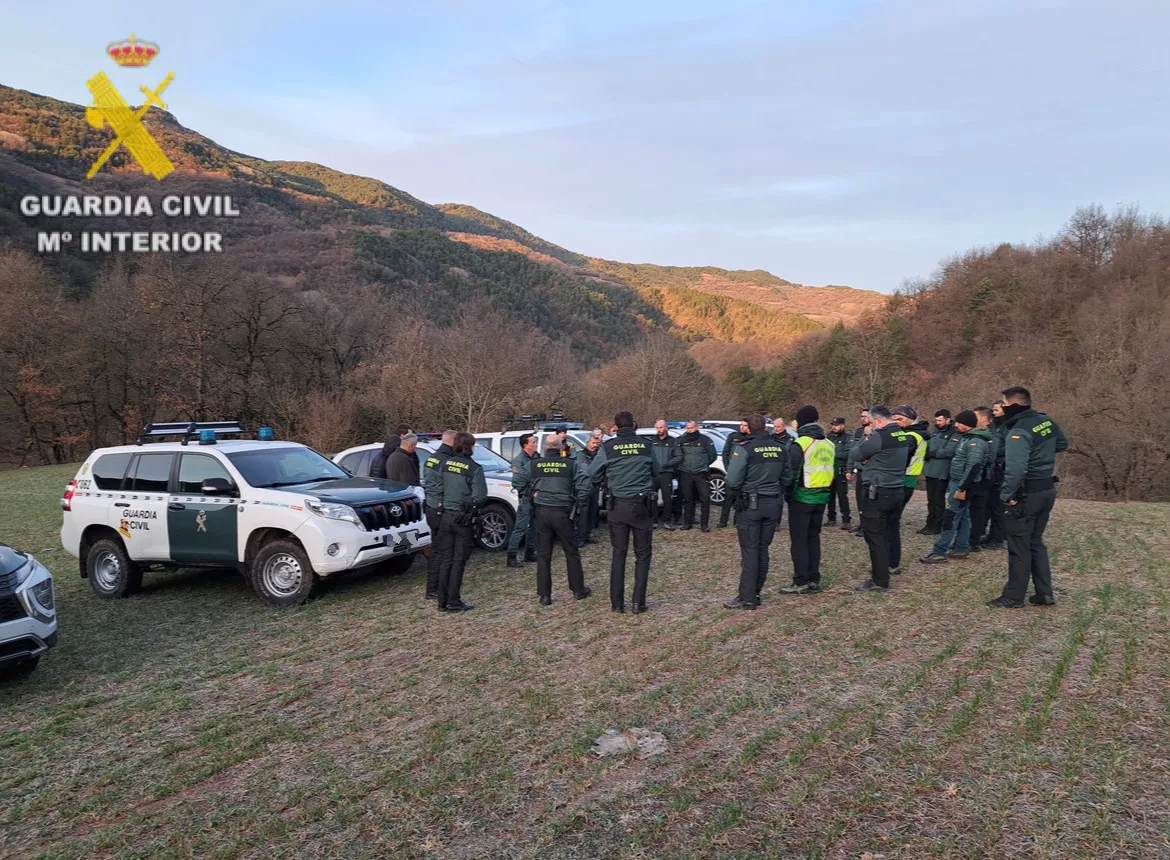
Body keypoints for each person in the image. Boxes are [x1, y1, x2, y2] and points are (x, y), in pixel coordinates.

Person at [990, 387, 1069, 609]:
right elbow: (1062, 444)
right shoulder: (1045, 421)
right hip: (1046, 489)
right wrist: (1042, 456)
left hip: (1027, 494)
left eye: (1004, 404)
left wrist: (1007, 495)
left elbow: (1016, 469)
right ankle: (1045, 593)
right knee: (1035, 541)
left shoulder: (1019, 430)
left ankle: (1014, 597)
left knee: (1018, 545)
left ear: (1013, 405)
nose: (1001, 408)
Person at [589, 411, 658, 614]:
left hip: (617, 506)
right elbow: (657, 470)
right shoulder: (646, 445)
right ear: (634, 425)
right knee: (643, 555)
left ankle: (617, 604)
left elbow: (592, 473)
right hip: (641, 505)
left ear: (616, 427)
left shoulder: (608, 447)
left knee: (619, 554)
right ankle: (638, 603)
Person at [722, 414, 790, 609]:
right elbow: (787, 477)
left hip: (751, 505)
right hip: (773, 503)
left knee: (750, 551)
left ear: (749, 429)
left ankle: (748, 597)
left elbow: (732, 480)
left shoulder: (745, 448)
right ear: (766, 428)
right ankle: (756, 591)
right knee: (762, 549)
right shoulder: (780, 448)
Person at [852, 405, 914, 592]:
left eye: (871, 423)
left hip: (878, 491)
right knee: (891, 529)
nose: (870, 426)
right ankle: (892, 563)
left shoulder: (878, 436)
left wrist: (866, 436)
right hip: (896, 489)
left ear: (878, 420)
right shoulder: (902, 435)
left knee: (875, 535)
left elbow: (855, 454)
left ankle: (880, 579)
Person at [919, 410, 991, 565]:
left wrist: (962, 487)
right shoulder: (967, 438)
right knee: (963, 515)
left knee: (951, 517)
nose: (956, 425)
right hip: (959, 482)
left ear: (968, 425)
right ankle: (961, 548)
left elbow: (974, 466)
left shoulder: (976, 442)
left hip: (962, 485)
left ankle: (939, 551)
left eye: (959, 422)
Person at [779, 406, 835, 595]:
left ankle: (801, 580)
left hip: (802, 497)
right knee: (813, 538)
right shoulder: (829, 443)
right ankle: (814, 579)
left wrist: (788, 496)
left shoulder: (800, 444)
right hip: (822, 497)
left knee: (799, 540)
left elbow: (791, 474)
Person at [531, 437, 593, 605]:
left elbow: (518, 481)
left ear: (545, 447)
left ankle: (545, 596)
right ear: (561, 448)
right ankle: (578, 590)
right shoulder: (571, 464)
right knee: (571, 551)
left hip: (542, 511)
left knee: (543, 555)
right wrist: (579, 503)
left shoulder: (535, 464)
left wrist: (531, 494)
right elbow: (586, 484)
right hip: (563, 512)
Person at [435, 432, 487, 612]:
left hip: (446, 516)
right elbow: (480, 497)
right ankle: (454, 600)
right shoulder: (474, 468)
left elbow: (439, 488)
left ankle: (442, 601)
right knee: (458, 561)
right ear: (470, 447)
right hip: (463, 518)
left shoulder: (445, 464)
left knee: (446, 560)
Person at [889, 405, 930, 575]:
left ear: (911, 419)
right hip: (908, 479)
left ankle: (892, 561)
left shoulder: (911, 437)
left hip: (903, 478)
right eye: (894, 419)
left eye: (900, 419)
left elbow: (898, 458)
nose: (897, 423)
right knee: (892, 520)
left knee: (891, 521)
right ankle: (891, 560)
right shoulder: (914, 434)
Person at [421, 430, 456, 601]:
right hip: (441, 509)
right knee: (443, 551)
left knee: (437, 549)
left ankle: (433, 587)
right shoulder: (447, 461)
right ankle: (435, 588)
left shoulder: (432, 458)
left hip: (432, 507)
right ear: (454, 442)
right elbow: (449, 486)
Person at [921, 410, 961, 535]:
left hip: (941, 472)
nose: (938, 423)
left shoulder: (954, 433)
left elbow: (949, 451)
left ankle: (937, 525)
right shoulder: (936, 432)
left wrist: (933, 453)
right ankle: (929, 524)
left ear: (948, 420)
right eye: (936, 420)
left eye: (940, 420)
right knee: (931, 500)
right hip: (930, 470)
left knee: (938, 500)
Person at [506, 433, 539, 568]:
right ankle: (511, 556)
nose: (536, 444)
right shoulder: (518, 461)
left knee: (534, 526)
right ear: (525, 445)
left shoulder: (537, 457)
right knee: (520, 527)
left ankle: (530, 552)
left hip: (537, 497)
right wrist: (531, 493)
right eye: (533, 442)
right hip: (526, 498)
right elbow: (518, 483)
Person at [677, 420, 717, 531]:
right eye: (688, 428)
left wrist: (703, 465)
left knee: (705, 499)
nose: (690, 430)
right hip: (686, 473)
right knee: (688, 499)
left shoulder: (705, 440)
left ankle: (704, 525)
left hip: (701, 474)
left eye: (692, 428)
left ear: (697, 428)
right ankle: (688, 523)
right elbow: (677, 455)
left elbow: (712, 456)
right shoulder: (681, 440)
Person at [967, 407, 997, 552]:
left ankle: (973, 540)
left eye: (975, 417)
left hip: (982, 478)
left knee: (977, 510)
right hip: (976, 476)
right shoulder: (974, 435)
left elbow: (989, 459)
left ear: (984, 419)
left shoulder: (991, 437)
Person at [980, 400, 1008, 550]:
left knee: (998, 507)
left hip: (1001, 469)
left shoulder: (1008, 427)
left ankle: (998, 538)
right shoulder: (994, 426)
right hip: (992, 470)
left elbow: (1007, 448)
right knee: (990, 505)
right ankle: (991, 535)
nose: (994, 412)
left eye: (996, 410)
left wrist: (995, 454)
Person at [649, 419, 682, 530]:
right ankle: (653, 521)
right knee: (652, 498)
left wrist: (667, 464)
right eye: (657, 428)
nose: (659, 430)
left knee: (667, 498)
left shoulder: (673, 441)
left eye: (661, 427)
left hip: (666, 474)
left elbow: (679, 456)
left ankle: (667, 521)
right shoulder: (652, 441)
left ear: (666, 428)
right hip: (653, 474)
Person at [718, 420, 749, 528]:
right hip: (732, 474)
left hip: (744, 474)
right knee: (727, 499)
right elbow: (725, 453)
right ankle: (723, 522)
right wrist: (729, 469)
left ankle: (737, 521)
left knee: (740, 499)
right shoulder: (733, 436)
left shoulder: (750, 438)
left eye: (745, 425)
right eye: (741, 425)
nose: (742, 427)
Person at [576, 431, 604, 547]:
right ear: (588, 442)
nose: (595, 445)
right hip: (584, 487)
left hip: (595, 486)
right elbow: (586, 471)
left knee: (592, 512)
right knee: (583, 513)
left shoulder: (599, 454)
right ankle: (581, 537)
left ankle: (588, 534)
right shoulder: (581, 454)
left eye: (597, 443)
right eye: (593, 443)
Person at [847, 409, 871, 535]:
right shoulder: (858, 432)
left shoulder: (875, 432)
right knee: (859, 499)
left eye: (865, 416)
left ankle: (867, 526)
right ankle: (862, 524)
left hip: (869, 471)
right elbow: (853, 451)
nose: (863, 418)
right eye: (861, 416)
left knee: (867, 500)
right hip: (859, 471)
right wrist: (849, 469)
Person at [826, 418, 853, 529]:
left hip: (841, 470)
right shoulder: (829, 437)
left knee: (842, 495)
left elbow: (849, 453)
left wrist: (832, 454)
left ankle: (846, 520)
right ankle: (831, 518)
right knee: (830, 495)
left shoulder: (848, 437)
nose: (834, 427)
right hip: (829, 470)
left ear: (842, 426)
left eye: (836, 425)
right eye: (833, 425)